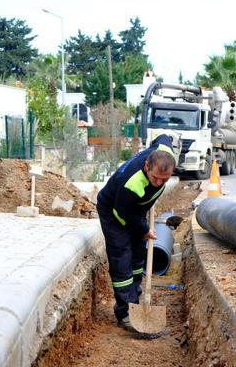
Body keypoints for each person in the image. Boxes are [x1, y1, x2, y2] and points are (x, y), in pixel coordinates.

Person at [96, 133, 175, 331]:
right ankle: (124, 312)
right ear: (147, 166)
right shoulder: (132, 183)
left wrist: (167, 138)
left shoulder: (164, 154)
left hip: (136, 209)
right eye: (155, 178)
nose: (158, 183)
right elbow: (123, 215)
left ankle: (136, 299)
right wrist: (143, 229)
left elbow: (163, 139)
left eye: (164, 180)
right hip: (114, 211)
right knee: (122, 256)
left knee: (139, 253)